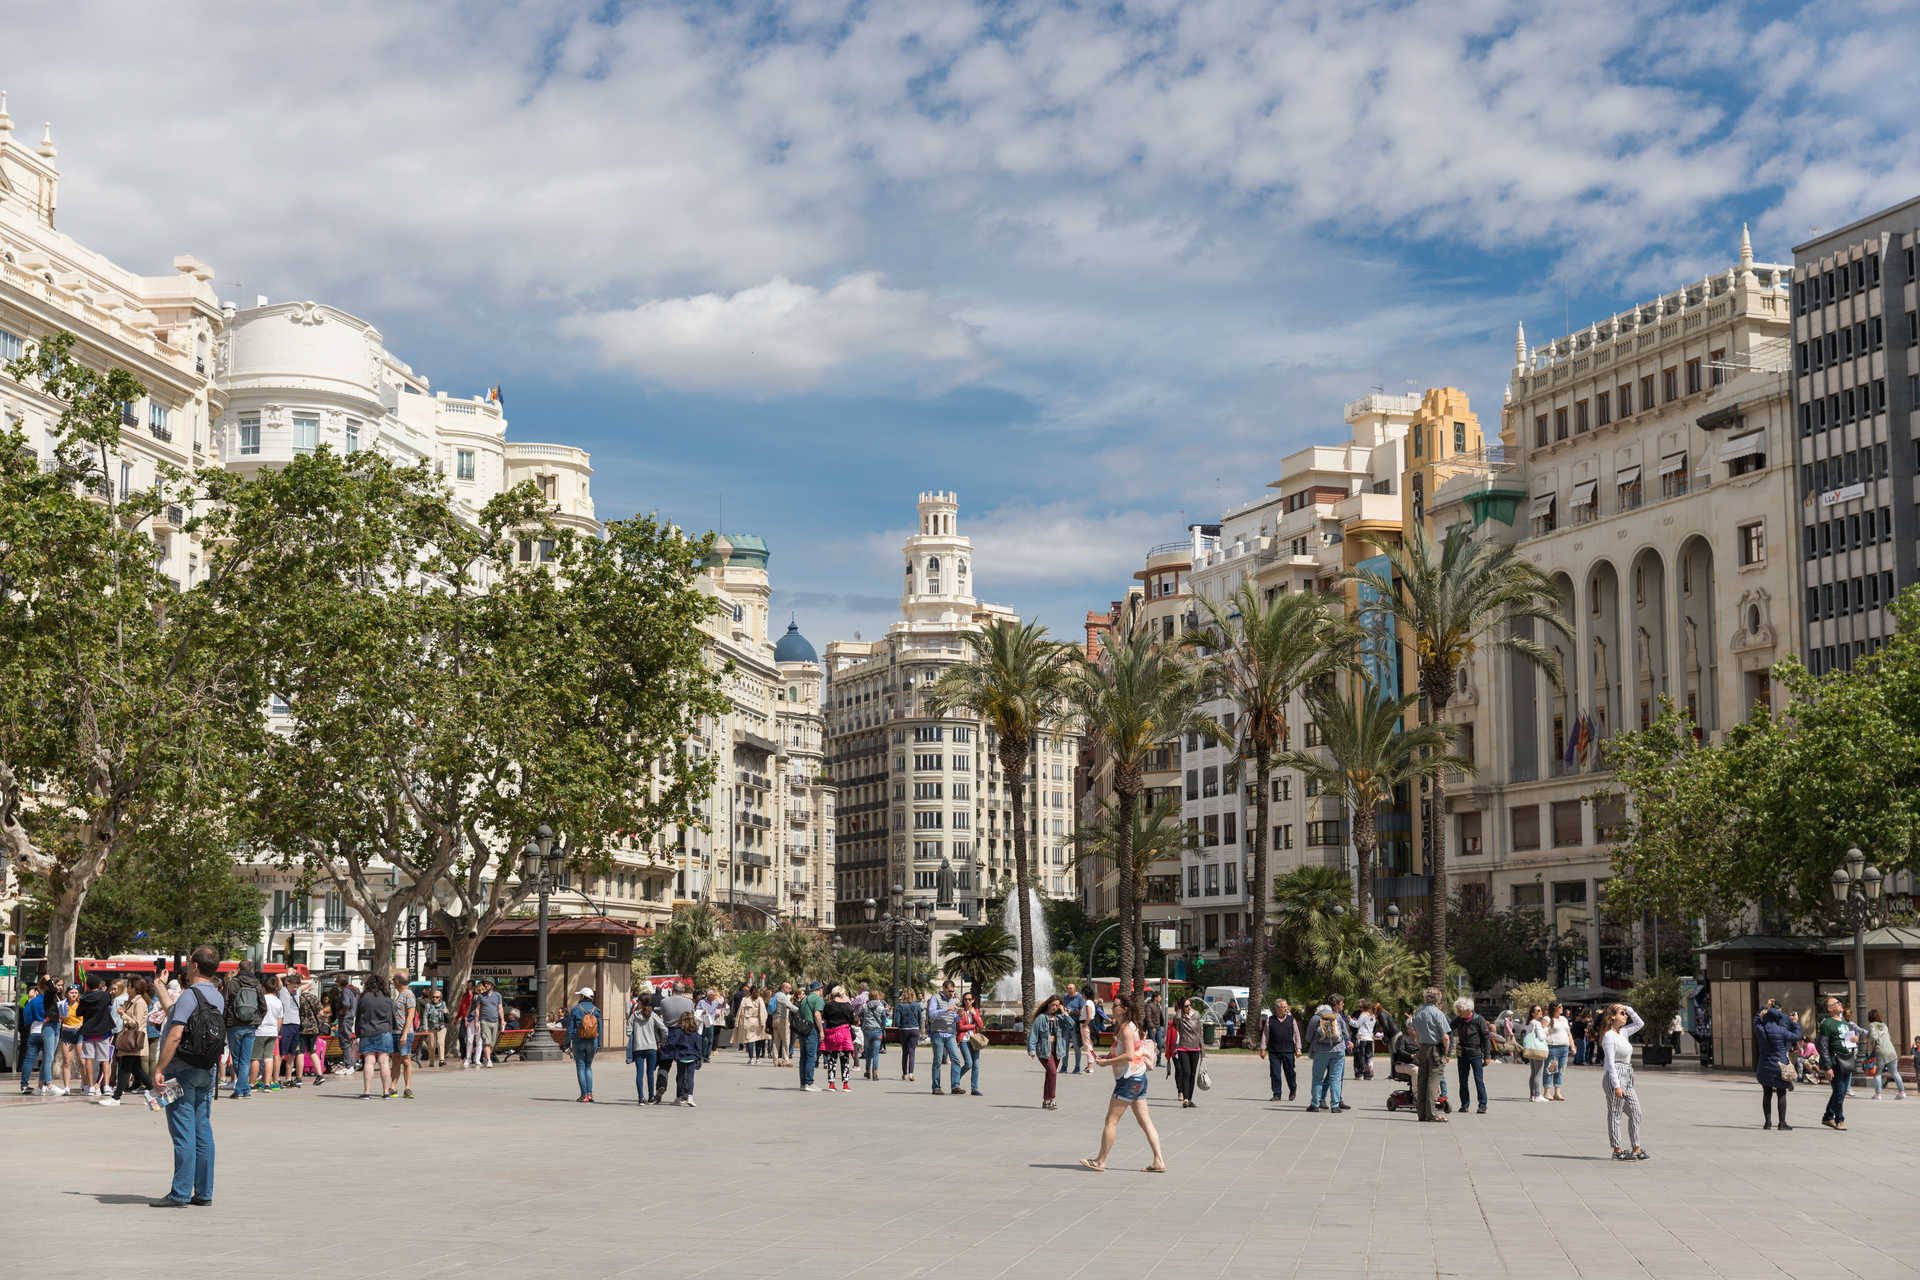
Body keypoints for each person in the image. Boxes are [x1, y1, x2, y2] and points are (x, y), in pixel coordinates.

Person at [150, 946, 226, 1208]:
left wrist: (159, 1067)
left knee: (183, 1132)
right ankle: (204, 1192)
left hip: (180, 1070)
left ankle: (180, 1193)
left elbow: (174, 1033)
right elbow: (173, 1011)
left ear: (194, 966)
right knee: (202, 1130)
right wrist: (159, 985)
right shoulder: (217, 996)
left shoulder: (189, 995)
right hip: (206, 1070)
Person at [1078, 999, 1165, 1174]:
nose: (1112, 1007)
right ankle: (1159, 1161)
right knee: (1146, 1122)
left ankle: (1100, 1161)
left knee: (1111, 1121)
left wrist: (1108, 1062)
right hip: (1139, 1077)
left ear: (1124, 1009)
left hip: (1129, 1080)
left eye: (1115, 1005)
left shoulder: (1126, 1028)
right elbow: (1124, 1050)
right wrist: (1107, 1057)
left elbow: (1129, 1055)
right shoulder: (1128, 1025)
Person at [1596, 1001, 1647, 1158]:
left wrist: (1628, 1008)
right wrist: (1617, 1085)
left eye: (1625, 1014)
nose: (1625, 1016)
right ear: (1612, 1017)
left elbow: (1640, 1023)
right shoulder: (1609, 1036)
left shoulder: (1623, 1032)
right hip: (1615, 1076)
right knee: (1615, 1112)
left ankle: (1636, 1148)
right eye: (1621, 1013)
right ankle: (1617, 1150)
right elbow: (1610, 1063)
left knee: (1636, 1112)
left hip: (1628, 1074)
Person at [1753, 999, 1799, 1130]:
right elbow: (1797, 1036)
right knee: (1781, 1092)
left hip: (1764, 1063)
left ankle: (1767, 1122)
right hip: (1780, 1064)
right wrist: (1795, 1023)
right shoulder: (1781, 1030)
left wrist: (1764, 1007)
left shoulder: (1760, 1028)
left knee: (1766, 1093)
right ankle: (1782, 1123)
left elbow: (1756, 1019)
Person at [105, 977, 152, 1104]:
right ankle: (155, 1089)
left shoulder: (140, 1002)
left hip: (134, 1039)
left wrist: (123, 1015)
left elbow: (135, 1024)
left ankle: (116, 1097)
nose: (127, 989)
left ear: (134, 988)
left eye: (129, 986)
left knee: (125, 1068)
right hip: (131, 1040)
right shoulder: (131, 1001)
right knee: (136, 1069)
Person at [1816, 995, 1859, 1130]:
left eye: (1839, 1002)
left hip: (1847, 1060)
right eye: (1836, 1003)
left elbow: (1847, 1041)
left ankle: (1828, 1116)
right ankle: (1839, 1119)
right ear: (1830, 1008)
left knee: (1840, 1091)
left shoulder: (1844, 1023)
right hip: (1835, 1062)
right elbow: (1822, 1046)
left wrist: (1854, 1040)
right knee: (1839, 1091)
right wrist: (1827, 1067)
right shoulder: (1827, 1024)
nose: (1840, 1004)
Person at [1410, 987, 1452, 1123]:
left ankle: (1421, 1113)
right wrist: (1445, 1052)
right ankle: (1431, 1113)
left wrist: (1421, 1046)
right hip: (1435, 1049)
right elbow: (1445, 1037)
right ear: (1438, 999)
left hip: (1423, 1048)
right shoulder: (1438, 1014)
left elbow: (1415, 1034)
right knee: (1433, 1082)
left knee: (1422, 1080)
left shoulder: (1418, 1013)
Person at [1028, 994, 1074, 1110]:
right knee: (1053, 1073)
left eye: (1057, 1005)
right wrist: (1032, 1049)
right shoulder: (1041, 1018)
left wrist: (1064, 1012)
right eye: (1053, 1005)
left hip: (1057, 1050)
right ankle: (1052, 1099)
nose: (1055, 1007)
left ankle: (1045, 1100)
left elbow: (1071, 1024)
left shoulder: (1060, 1018)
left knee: (1050, 1075)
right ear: (1048, 1004)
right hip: (1044, 1051)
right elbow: (1033, 1034)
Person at [354, 974, 396, 1101]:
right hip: (384, 1032)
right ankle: (386, 1092)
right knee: (384, 1062)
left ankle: (367, 1092)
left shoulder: (363, 998)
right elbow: (392, 1018)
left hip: (367, 1032)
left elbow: (358, 1017)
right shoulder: (388, 999)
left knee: (369, 1062)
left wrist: (357, 1034)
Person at [1305, 998, 1351, 1113]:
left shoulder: (1316, 1017)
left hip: (1321, 1052)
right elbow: (1345, 1034)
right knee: (1335, 1078)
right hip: (1338, 1051)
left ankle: (1315, 1104)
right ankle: (1335, 1106)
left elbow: (1308, 1037)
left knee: (1317, 1078)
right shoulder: (1337, 1016)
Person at [1450, 997, 1492, 1114]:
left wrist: (1487, 1056)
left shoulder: (1479, 1020)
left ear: (1467, 1010)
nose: (1458, 1012)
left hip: (1476, 1054)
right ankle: (1464, 1104)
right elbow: (1448, 1029)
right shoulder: (1459, 1019)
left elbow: (1486, 1038)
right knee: (1463, 1081)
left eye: (1459, 1010)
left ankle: (1482, 1105)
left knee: (1479, 1080)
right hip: (1462, 1053)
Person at [75, 975, 114, 1096]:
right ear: (99, 985)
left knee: (89, 1059)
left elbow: (78, 1013)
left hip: (89, 1032)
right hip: (103, 1031)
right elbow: (108, 1003)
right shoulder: (105, 995)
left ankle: (91, 1086)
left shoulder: (85, 998)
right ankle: (106, 1086)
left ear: (88, 985)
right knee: (105, 1059)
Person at [20, 979, 58, 1095]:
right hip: (48, 1030)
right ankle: (45, 1085)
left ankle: (24, 1085)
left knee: (29, 1060)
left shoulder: (32, 1002)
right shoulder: (50, 1000)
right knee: (47, 1059)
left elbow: (26, 1019)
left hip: (34, 1031)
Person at [626, 995, 666, 1104]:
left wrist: (633, 1035)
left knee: (639, 1073)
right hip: (651, 1047)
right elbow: (663, 1028)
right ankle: (651, 1097)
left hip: (638, 1047)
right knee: (650, 1073)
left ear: (640, 1003)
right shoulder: (653, 1015)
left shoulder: (634, 1016)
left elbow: (628, 1031)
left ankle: (641, 1098)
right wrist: (662, 1041)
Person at [1258, 997, 1299, 1102]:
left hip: (1288, 1051)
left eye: (1286, 1006)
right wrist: (1263, 1049)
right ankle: (1277, 1094)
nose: (1285, 1008)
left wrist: (1298, 1049)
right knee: (1275, 1073)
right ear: (1277, 1008)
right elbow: (1265, 1035)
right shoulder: (1270, 1020)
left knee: (1290, 1073)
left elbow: (1296, 1035)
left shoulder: (1291, 1020)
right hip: (1274, 1052)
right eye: (1283, 1007)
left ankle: (1293, 1090)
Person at [1168, 997, 1206, 1108]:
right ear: (1181, 1007)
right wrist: (1180, 1010)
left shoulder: (1197, 1015)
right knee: (1186, 1073)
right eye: (1186, 1006)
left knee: (1193, 1074)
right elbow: (1175, 1022)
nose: (1189, 1007)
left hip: (1195, 1049)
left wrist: (1203, 1052)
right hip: (1183, 1048)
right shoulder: (1179, 1017)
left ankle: (1189, 1099)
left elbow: (1200, 1034)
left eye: (1190, 1005)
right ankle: (1185, 1099)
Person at [926, 980, 963, 1096]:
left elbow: (954, 1018)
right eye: (950, 991)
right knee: (937, 1061)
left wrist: (959, 1016)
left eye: (953, 991)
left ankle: (955, 1086)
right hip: (938, 1034)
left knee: (956, 1059)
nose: (952, 993)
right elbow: (931, 1014)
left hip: (951, 1034)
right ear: (944, 988)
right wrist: (946, 1009)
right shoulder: (935, 998)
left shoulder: (953, 1000)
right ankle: (936, 1087)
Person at [817, 985, 857, 1091]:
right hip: (844, 1034)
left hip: (831, 1034)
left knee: (832, 1059)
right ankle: (845, 1085)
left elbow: (825, 1020)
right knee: (845, 1059)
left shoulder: (828, 1005)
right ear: (842, 994)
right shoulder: (848, 1006)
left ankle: (831, 1084)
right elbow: (852, 1020)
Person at [564, 987, 601, 1103]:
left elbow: (570, 1028)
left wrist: (566, 1044)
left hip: (578, 1040)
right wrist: (598, 1044)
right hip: (592, 1041)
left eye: (580, 995)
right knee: (588, 1067)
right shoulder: (596, 1010)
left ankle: (583, 1095)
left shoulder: (575, 1009)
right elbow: (600, 1028)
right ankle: (590, 1094)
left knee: (580, 1066)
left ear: (583, 997)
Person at [663, 1010, 704, 1106]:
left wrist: (665, 1049)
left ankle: (679, 1098)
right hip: (692, 1057)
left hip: (681, 1057)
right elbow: (699, 1046)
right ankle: (690, 1097)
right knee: (690, 1078)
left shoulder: (678, 1031)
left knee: (680, 1077)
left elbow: (672, 1043)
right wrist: (699, 1058)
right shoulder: (695, 1033)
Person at [390, 969, 418, 1098]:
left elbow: (411, 1014)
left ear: (398, 981)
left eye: (393, 980)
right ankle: (393, 1087)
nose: (392, 983)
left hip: (404, 1032)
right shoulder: (396, 995)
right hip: (395, 1032)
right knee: (395, 1059)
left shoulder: (409, 994)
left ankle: (407, 1088)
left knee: (406, 1059)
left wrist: (405, 1033)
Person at [795, 980, 825, 1091]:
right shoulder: (817, 999)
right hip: (811, 1030)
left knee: (803, 1057)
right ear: (819, 989)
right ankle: (809, 1082)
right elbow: (817, 1015)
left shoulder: (804, 999)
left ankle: (803, 1083)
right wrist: (821, 1031)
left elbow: (799, 1013)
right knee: (811, 1056)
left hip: (802, 1030)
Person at [1866, 1009, 1904, 1099]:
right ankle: (1902, 1092)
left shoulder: (1872, 1025)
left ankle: (1878, 1094)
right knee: (1895, 1072)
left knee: (1878, 1073)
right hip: (1891, 1050)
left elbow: (1874, 1037)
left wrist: (1870, 1039)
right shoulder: (1884, 1025)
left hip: (1881, 1051)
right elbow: (1888, 1037)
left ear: (1870, 1017)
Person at [955, 990, 987, 1096]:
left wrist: (975, 1015)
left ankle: (974, 1088)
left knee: (976, 1065)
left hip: (974, 1040)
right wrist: (973, 1026)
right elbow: (960, 1027)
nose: (967, 1001)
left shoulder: (975, 1011)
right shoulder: (960, 1011)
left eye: (969, 999)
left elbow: (981, 1025)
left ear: (973, 1000)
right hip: (964, 1040)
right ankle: (955, 1080)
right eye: (965, 999)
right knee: (969, 1063)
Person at [1543, 1002, 1572, 1101]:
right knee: (1550, 1069)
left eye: (1561, 1006)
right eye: (1559, 1007)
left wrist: (1572, 1045)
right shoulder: (1548, 1019)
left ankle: (1557, 1092)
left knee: (1560, 1070)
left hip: (1564, 1047)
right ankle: (1547, 1092)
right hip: (1553, 1047)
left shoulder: (1564, 1019)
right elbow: (1543, 1032)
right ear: (1554, 1009)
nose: (1562, 1008)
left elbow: (1568, 1033)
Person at [858, 990, 889, 1080]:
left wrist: (865, 1021)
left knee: (868, 1053)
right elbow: (884, 1019)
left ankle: (867, 1072)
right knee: (876, 1053)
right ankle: (875, 1073)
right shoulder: (881, 1007)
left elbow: (860, 1015)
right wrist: (882, 1027)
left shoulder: (865, 1006)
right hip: (877, 1031)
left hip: (867, 1031)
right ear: (878, 996)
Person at [894, 987, 924, 1081]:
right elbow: (920, 1019)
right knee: (912, 1051)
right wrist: (918, 1027)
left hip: (904, 1029)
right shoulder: (917, 1005)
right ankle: (911, 1073)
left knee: (905, 1052)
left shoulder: (900, 1006)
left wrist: (900, 1025)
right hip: (914, 1029)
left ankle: (904, 1073)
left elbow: (897, 1022)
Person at [1521, 1003, 1549, 1101]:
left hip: (1531, 1050)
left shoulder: (1529, 1023)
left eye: (1540, 1010)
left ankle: (1532, 1095)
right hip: (1538, 1049)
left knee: (1533, 1073)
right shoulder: (1536, 1023)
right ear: (1533, 1013)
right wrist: (1545, 1030)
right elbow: (1541, 1037)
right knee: (1538, 1073)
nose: (1540, 1012)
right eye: (1538, 1011)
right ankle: (1537, 1095)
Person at [473, 978, 502, 1068]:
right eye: (485, 984)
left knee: (492, 1044)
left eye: (488, 984)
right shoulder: (481, 996)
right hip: (484, 1021)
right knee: (486, 1041)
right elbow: (477, 1009)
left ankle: (486, 1057)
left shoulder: (498, 995)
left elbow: (500, 1008)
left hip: (495, 1021)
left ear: (492, 985)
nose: (486, 985)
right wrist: (476, 1021)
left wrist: (503, 1020)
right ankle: (489, 1060)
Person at [736, 985, 769, 1064]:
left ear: (749, 992)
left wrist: (737, 1022)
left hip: (747, 1022)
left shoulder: (745, 1000)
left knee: (749, 1040)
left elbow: (739, 1012)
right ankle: (757, 1059)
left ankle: (751, 1059)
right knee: (758, 1040)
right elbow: (763, 1012)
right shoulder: (760, 999)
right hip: (757, 1022)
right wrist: (763, 1022)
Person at [767, 982, 794, 1067]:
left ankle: (775, 1060)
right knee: (786, 1040)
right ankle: (785, 1060)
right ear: (784, 988)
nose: (790, 990)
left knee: (776, 1041)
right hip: (782, 1020)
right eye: (789, 988)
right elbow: (790, 1006)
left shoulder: (775, 995)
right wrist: (800, 1010)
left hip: (774, 1019)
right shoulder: (782, 996)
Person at [421, 987, 449, 1068]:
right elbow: (425, 1016)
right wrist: (425, 1027)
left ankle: (441, 1060)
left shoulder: (443, 1004)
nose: (435, 998)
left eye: (437, 997)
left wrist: (446, 1012)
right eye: (433, 997)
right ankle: (432, 1062)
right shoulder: (428, 1005)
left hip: (441, 1026)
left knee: (441, 1043)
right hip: (431, 1027)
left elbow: (447, 1012)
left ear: (440, 997)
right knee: (431, 1045)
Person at [1350, 1000, 1377, 1080]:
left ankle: (1361, 1073)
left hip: (1362, 1038)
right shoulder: (1373, 1016)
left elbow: (1357, 1024)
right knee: (1369, 1057)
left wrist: (1350, 1020)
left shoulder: (1363, 1014)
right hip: (1370, 1038)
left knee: (1361, 1056)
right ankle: (1369, 1074)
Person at [1061, 983, 1085, 1073]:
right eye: (1067, 988)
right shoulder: (1065, 997)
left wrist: (1073, 1011)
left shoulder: (1080, 997)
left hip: (1075, 1025)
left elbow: (1082, 1011)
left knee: (1076, 1046)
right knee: (1064, 1046)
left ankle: (1077, 1066)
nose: (1068, 989)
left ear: (1075, 989)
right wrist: (1064, 1009)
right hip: (1066, 1024)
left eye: (1070, 988)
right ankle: (1064, 1066)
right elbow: (1062, 1006)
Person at [696, 987, 724, 1062]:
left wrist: (718, 1013)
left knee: (710, 1040)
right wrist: (702, 1012)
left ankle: (707, 1056)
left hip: (711, 1022)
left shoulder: (715, 1002)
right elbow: (697, 1011)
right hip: (704, 1022)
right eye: (712, 997)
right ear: (708, 996)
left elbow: (720, 1007)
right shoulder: (702, 1002)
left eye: (714, 997)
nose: (713, 999)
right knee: (705, 1039)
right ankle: (702, 1056)